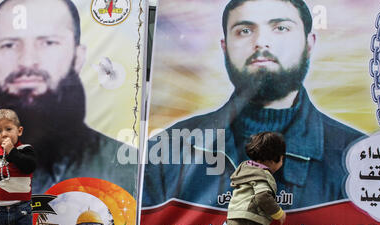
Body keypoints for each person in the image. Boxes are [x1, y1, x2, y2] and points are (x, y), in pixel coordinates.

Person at [142, 0, 365, 210]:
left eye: (281, 28)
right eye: (244, 31)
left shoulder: (358, 158)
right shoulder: (166, 151)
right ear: (225, 47)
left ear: (309, 44)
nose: (260, 42)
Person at [0, 0, 138, 203]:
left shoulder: (125, 171)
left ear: (78, 57)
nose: (27, 61)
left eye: (49, 43)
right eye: (9, 45)